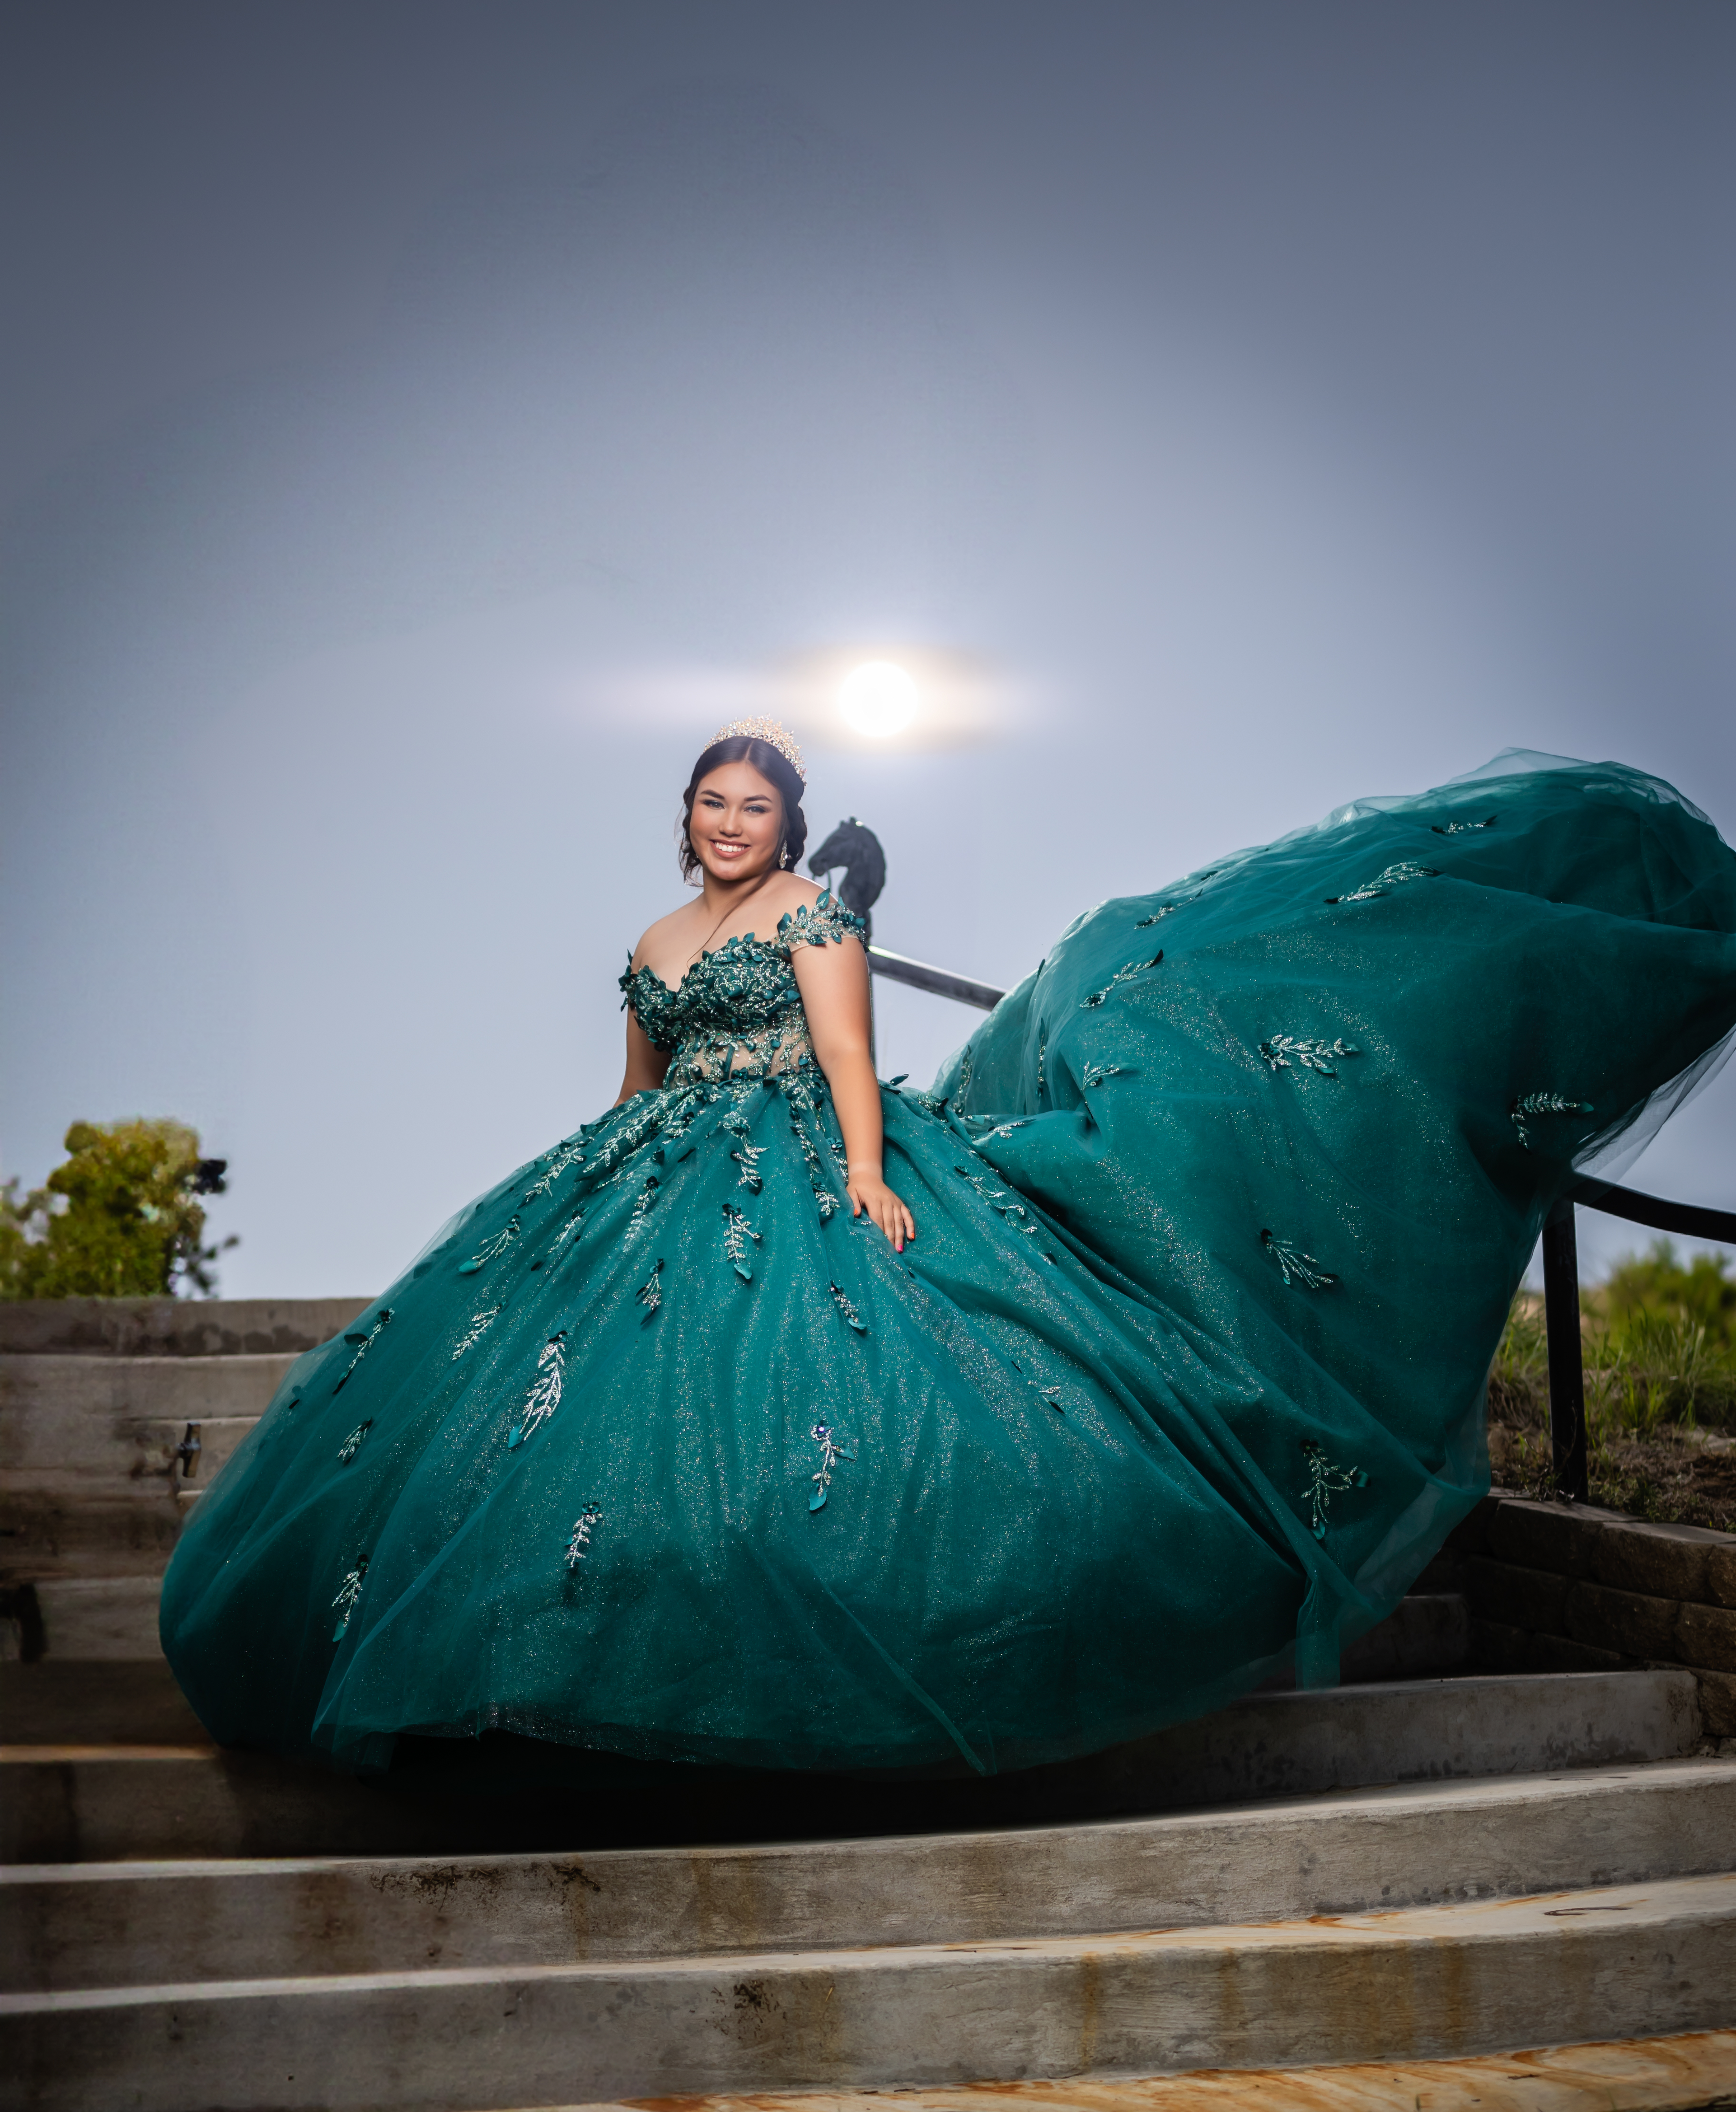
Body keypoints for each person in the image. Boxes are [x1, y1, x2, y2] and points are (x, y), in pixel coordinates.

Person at [160, 727, 1736, 1790]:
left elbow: (850, 1065)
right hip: (642, 1175)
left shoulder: (819, 926)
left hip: (797, 1156)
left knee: (796, 1419)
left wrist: (866, 1182)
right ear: (685, 819)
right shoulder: (648, 946)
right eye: (711, 803)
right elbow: (631, 1090)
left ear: (790, 826)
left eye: (756, 808)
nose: (730, 825)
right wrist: (588, 1188)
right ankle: (515, 1684)